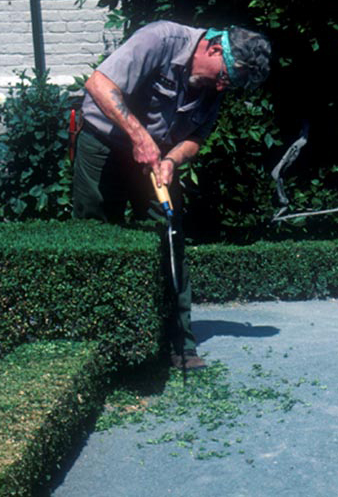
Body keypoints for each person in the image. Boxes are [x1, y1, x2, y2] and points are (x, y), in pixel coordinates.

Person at [72, 21, 271, 370]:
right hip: (103, 142)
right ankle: (89, 345)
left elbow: (197, 136)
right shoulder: (161, 39)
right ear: (213, 48)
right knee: (94, 235)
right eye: (225, 76)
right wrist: (139, 136)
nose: (224, 86)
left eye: (233, 85)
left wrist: (171, 160)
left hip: (154, 158)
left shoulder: (215, 86)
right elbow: (98, 85)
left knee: (170, 235)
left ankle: (180, 344)